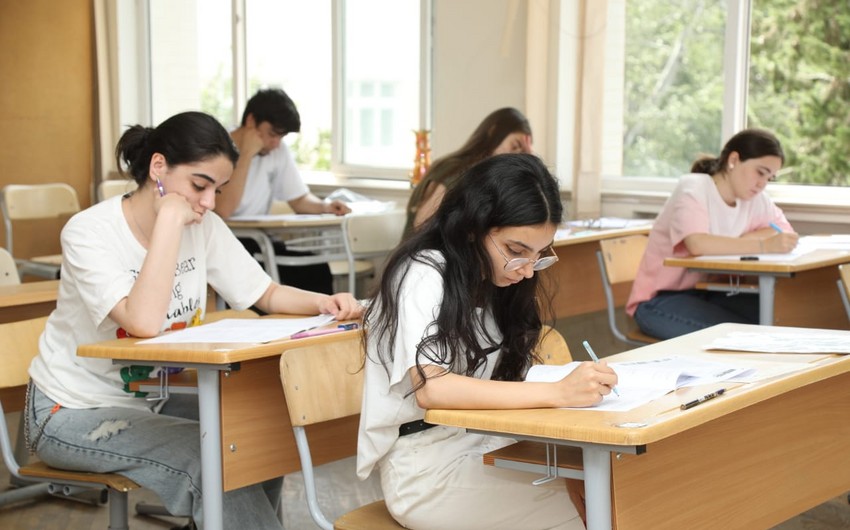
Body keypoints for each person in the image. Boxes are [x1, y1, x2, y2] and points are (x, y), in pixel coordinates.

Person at [26, 111, 364, 530]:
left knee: (256, 432)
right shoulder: (89, 232)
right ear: (158, 167)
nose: (209, 203)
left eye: (217, 190)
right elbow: (142, 322)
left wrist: (325, 303)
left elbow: (265, 293)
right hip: (70, 412)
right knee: (211, 460)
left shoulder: (204, 226)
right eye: (199, 186)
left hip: (155, 397)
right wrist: (169, 220)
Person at [357, 153, 617, 529]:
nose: (527, 271)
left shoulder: (495, 280)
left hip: (487, 441)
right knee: (600, 504)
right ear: (472, 227)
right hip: (427, 471)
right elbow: (431, 387)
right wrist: (559, 392)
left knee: (611, 486)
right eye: (515, 251)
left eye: (539, 255)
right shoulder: (423, 272)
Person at [626, 128, 799, 340]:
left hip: (712, 292)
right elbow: (697, 244)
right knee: (747, 336)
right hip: (660, 300)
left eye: (769, 178)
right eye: (760, 172)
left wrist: (739, 241)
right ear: (733, 160)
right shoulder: (694, 187)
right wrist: (763, 245)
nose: (762, 184)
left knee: (783, 317)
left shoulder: (755, 199)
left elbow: (785, 232)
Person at [215, 88, 350, 294]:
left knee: (317, 271)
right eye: (272, 134)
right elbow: (224, 210)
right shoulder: (218, 146)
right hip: (228, 241)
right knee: (268, 274)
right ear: (251, 121)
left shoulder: (277, 151)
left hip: (260, 241)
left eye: (281, 137)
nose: (276, 143)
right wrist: (246, 154)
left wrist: (325, 206)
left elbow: (298, 199)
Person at [403, 107, 533, 239]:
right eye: (514, 146)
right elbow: (422, 225)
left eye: (522, 152)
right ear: (493, 131)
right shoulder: (454, 170)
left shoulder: (490, 177)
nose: (516, 156)